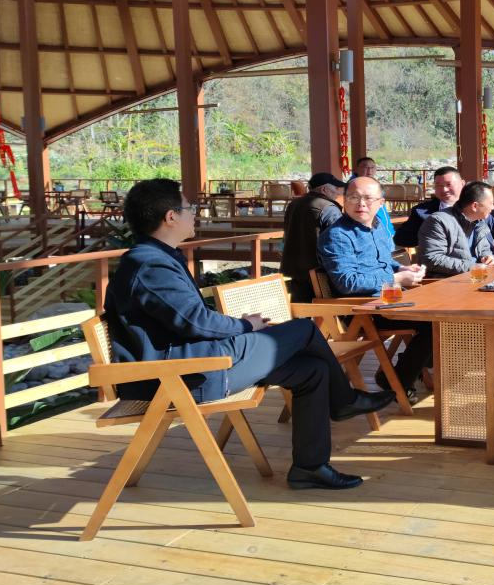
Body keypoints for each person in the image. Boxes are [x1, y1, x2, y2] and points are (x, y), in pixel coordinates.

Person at [104, 179, 394, 490]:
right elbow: (196, 322)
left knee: (313, 370)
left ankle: (310, 467)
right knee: (304, 329)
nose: (195, 213)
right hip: (184, 375)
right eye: (190, 208)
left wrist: (242, 325)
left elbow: (188, 320)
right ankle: (344, 401)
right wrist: (246, 326)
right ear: (170, 217)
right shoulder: (149, 265)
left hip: (197, 362)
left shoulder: (158, 257)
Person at [318, 177, 433, 403]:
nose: (361, 203)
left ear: (381, 202)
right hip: (362, 308)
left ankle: (406, 371)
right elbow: (347, 282)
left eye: (368, 198)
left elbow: (383, 262)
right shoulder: (337, 235)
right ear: (343, 201)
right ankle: (397, 380)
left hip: (389, 299)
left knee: (446, 316)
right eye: (354, 197)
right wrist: (396, 278)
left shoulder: (377, 226)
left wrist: (401, 268)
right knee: (433, 323)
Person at [394, 166, 494, 257]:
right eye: (438, 185)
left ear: (462, 184)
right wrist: (431, 234)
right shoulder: (422, 212)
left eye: (448, 184)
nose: (444, 189)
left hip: (483, 262)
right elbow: (400, 238)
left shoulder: (475, 207)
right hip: (447, 266)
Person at [280, 172, 346, 302]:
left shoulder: (294, 204)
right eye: (336, 188)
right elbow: (338, 241)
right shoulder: (329, 209)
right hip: (318, 271)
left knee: (300, 309)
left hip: (295, 267)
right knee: (324, 309)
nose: (338, 193)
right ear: (324, 189)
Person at [418, 181, 494, 275]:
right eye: (491, 203)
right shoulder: (438, 221)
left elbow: (484, 249)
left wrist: (487, 257)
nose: (493, 207)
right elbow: (432, 258)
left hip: (476, 276)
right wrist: (472, 267)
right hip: (447, 280)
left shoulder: (479, 222)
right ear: (475, 206)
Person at [351, 157, 394, 239]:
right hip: (370, 231)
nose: (369, 170)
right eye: (365, 167)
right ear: (356, 169)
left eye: (372, 167)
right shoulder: (354, 186)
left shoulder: (372, 183)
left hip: (383, 228)